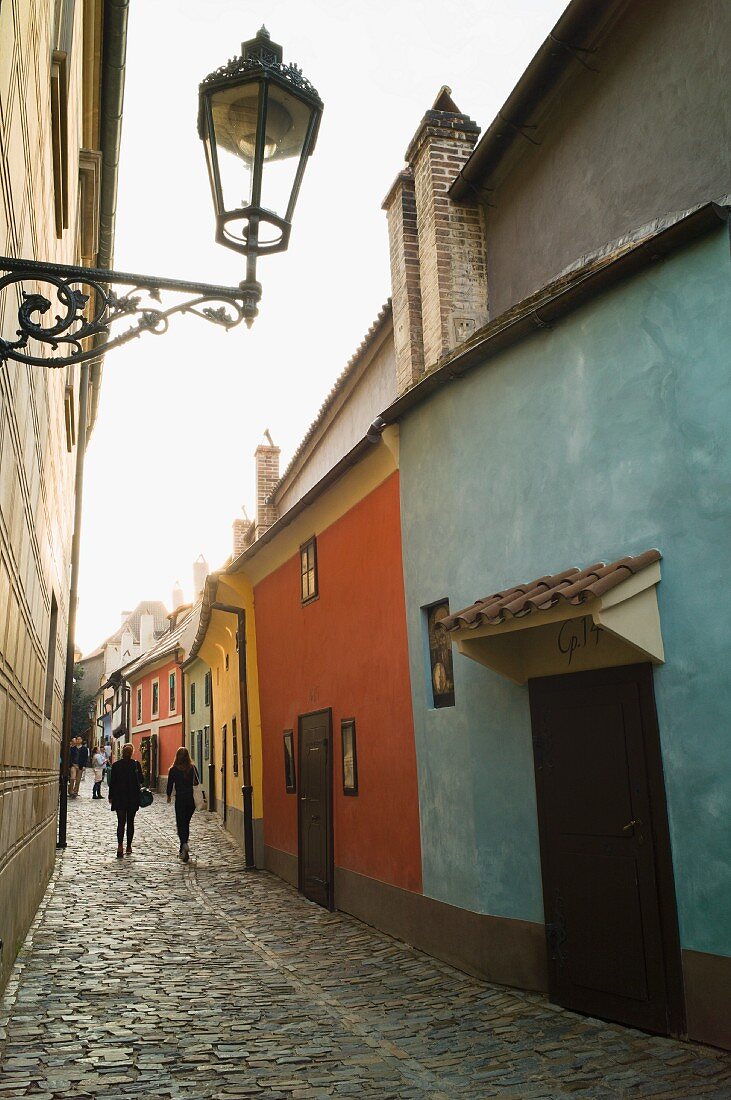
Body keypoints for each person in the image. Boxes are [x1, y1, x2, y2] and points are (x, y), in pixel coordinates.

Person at [108, 743, 143, 858]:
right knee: (131, 823)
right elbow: (142, 779)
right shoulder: (136, 764)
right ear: (132, 752)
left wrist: (110, 796)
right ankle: (128, 846)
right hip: (133, 797)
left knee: (121, 823)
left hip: (119, 797)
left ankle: (119, 846)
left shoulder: (116, 765)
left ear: (122, 753)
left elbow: (112, 782)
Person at [166, 747, 199, 862]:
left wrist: (168, 795)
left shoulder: (173, 769)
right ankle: (183, 848)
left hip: (180, 799)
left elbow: (170, 784)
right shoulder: (192, 768)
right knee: (186, 823)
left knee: (181, 824)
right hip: (190, 800)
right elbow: (197, 782)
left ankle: (183, 844)